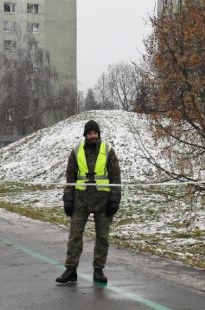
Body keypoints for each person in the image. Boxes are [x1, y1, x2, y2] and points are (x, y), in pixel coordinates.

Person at [55, 120, 121, 285]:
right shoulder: (76, 151)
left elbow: (115, 176)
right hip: (80, 200)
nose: (92, 136)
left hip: (103, 201)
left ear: (98, 134)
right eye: (89, 133)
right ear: (85, 135)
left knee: (102, 237)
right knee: (75, 236)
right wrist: (67, 198)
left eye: (95, 133)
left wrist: (115, 198)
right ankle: (71, 270)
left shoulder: (108, 150)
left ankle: (98, 270)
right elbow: (70, 176)